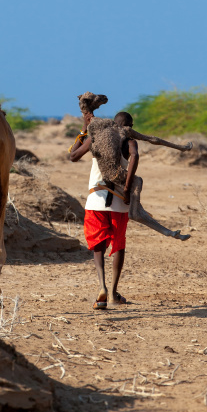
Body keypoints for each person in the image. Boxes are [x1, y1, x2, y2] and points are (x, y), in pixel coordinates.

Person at [69, 110, 138, 309]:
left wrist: (84, 129)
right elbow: (135, 155)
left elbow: (73, 156)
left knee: (97, 246)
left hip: (95, 201)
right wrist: (126, 188)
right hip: (120, 203)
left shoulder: (96, 138)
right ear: (130, 127)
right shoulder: (129, 141)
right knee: (118, 245)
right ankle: (114, 294)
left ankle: (102, 287)